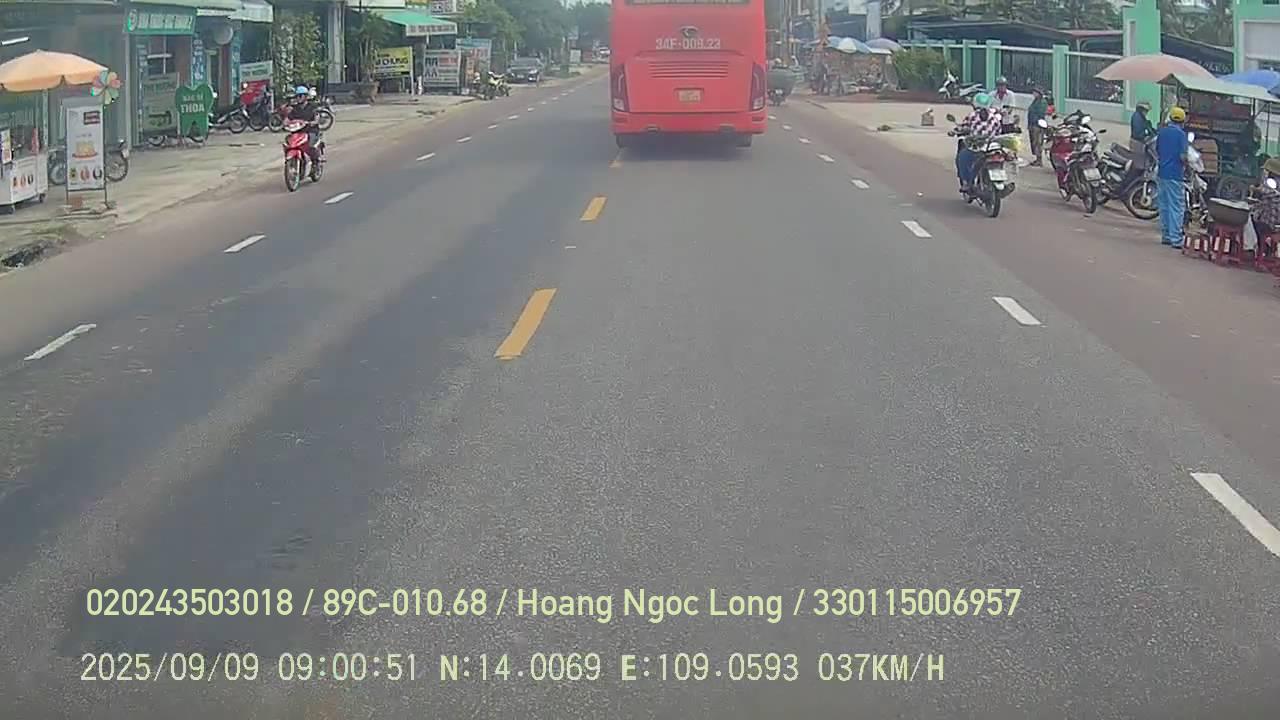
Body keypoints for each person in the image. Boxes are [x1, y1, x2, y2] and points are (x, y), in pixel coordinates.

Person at [954, 93, 1004, 192]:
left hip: (977, 147)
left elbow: (964, 127)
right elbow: (999, 131)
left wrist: (956, 131)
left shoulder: (973, 115)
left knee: (962, 158)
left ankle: (967, 183)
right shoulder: (994, 117)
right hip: (992, 147)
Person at [1155, 106, 1190, 248]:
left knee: (1164, 206)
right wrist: (1187, 165)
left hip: (1161, 173)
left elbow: (1157, 150)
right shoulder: (1181, 135)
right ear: (1183, 120)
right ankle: (1176, 239)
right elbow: (1183, 156)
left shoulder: (1162, 132)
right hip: (1175, 174)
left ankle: (1166, 236)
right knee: (1176, 207)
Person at [285, 85, 322, 162]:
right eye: (297, 96)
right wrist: (285, 123)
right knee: (288, 143)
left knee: (311, 146)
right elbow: (288, 119)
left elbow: (317, 118)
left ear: (305, 96)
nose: (298, 98)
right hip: (298, 132)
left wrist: (313, 122)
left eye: (300, 96)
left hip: (310, 131)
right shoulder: (295, 109)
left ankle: (316, 161)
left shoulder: (312, 107)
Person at [1129, 100, 1156, 170]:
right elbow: (1138, 133)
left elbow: (1149, 128)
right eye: (1146, 110)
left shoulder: (1141, 117)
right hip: (1137, 142)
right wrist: (1147, 135)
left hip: (1140, 142)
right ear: (1141, 109)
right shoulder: (1137, 117)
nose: (1146, 112)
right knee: (1139, 164)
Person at [1026, 87, 1049, 167]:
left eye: (1035, 92)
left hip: (1038, 125)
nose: (1034, 94)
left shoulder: (1042, 102)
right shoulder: (1035, 101)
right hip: (1032, 124)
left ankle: (1039, 160)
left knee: (1038, 143)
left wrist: (1035, 121)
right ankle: (1037, 159)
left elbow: (1040, 113)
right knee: (1034, 142)